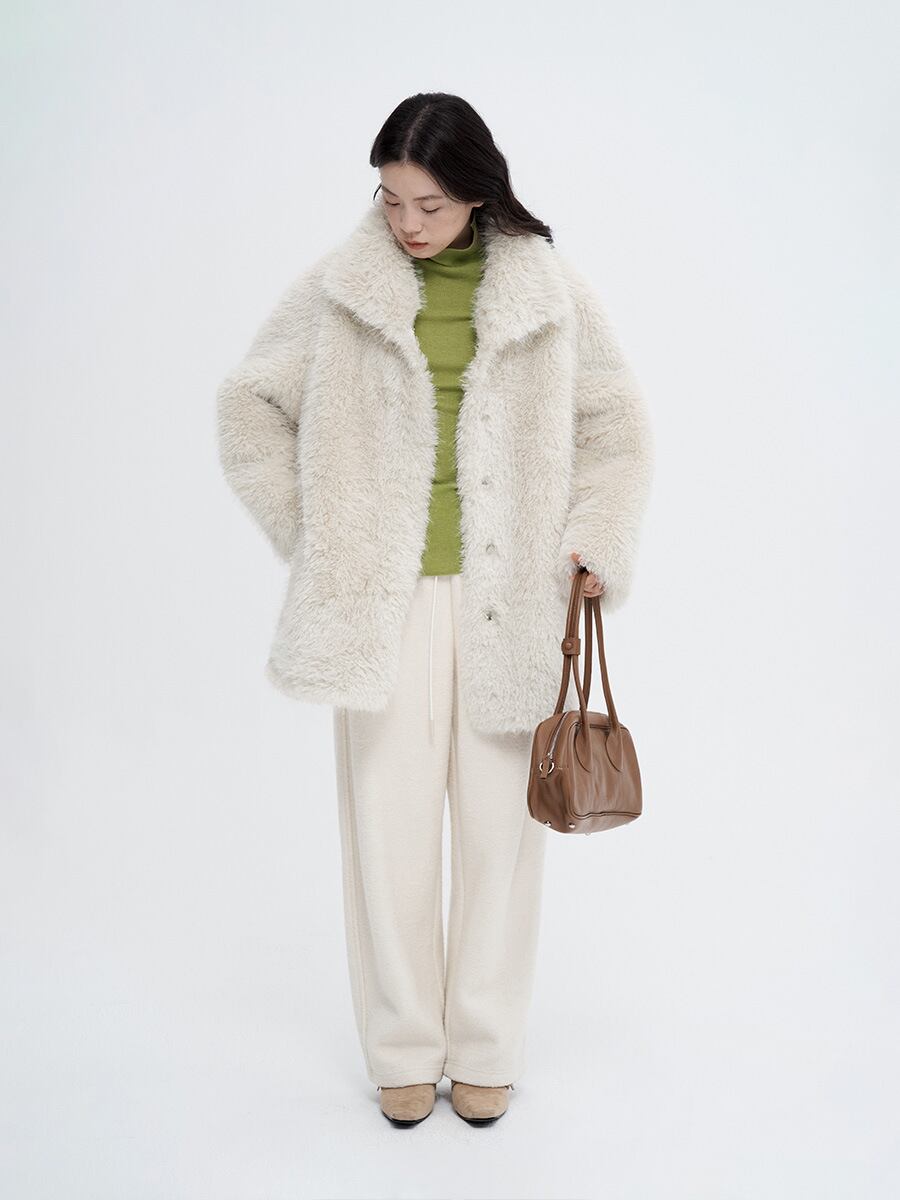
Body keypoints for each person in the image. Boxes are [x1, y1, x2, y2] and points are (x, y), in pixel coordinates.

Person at [216, 92, 654, 1127]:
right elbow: (250, 404)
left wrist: (596, 540)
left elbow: (617, 427)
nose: (407, 223)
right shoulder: (342, 289)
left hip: (514, 600)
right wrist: (320, 533)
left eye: (430, 204)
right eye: (391, 199)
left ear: (477, 194)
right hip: (381, 602)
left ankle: (488, 1046)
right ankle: (403, 1049)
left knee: (503, 835)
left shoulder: (550, 290)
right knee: (388, 835)